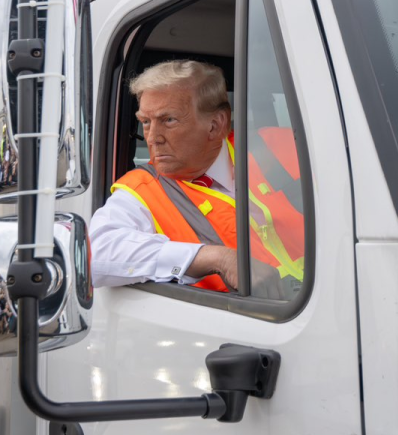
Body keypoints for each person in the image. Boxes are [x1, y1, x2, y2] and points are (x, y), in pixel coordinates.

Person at [90, 59, 304, 296]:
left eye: (168, 120)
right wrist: (217, 258)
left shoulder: (284, 146)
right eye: (146, 122)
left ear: (215, 125)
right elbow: (95, 254)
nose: (152, 138)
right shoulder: (141, 190)